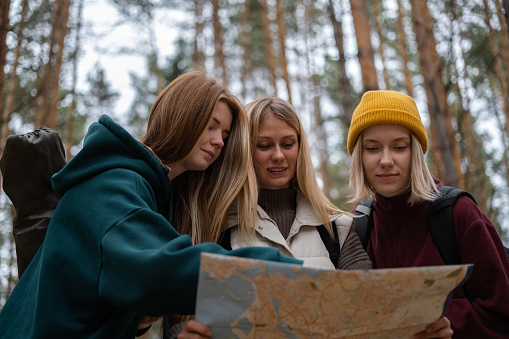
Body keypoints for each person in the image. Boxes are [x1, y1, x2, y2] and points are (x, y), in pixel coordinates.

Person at [0, 71, 302, 338]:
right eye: (211, 126)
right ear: (182, 117)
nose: (220, 141)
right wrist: (277, 274)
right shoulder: (113, 185)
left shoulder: (149, 193)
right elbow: (157, 269)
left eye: (224, 134)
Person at [346, 90, 509, 338]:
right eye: (372, 148)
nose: (386, 160)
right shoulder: (357, 227)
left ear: (416, 153)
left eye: (399, 147)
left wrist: (449, 324)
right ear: (359, 156)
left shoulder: (458, 213)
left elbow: (501, 310)